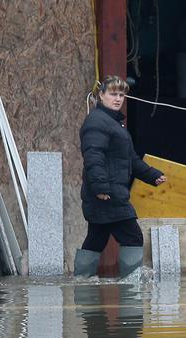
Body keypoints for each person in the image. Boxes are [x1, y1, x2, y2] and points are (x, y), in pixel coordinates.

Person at [75, 75, 167, 277]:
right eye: (112, 94)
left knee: (96, 239)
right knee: (133, 237)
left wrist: (152, 175)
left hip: (106, 192)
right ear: (101, 95)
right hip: (108, 194)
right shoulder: (97, 122)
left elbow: (130, 159)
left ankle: (82, 283)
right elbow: (93, 156)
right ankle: (131, 289)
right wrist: (101, 188)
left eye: (121, 95)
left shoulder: (114, 124)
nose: (117, 99)